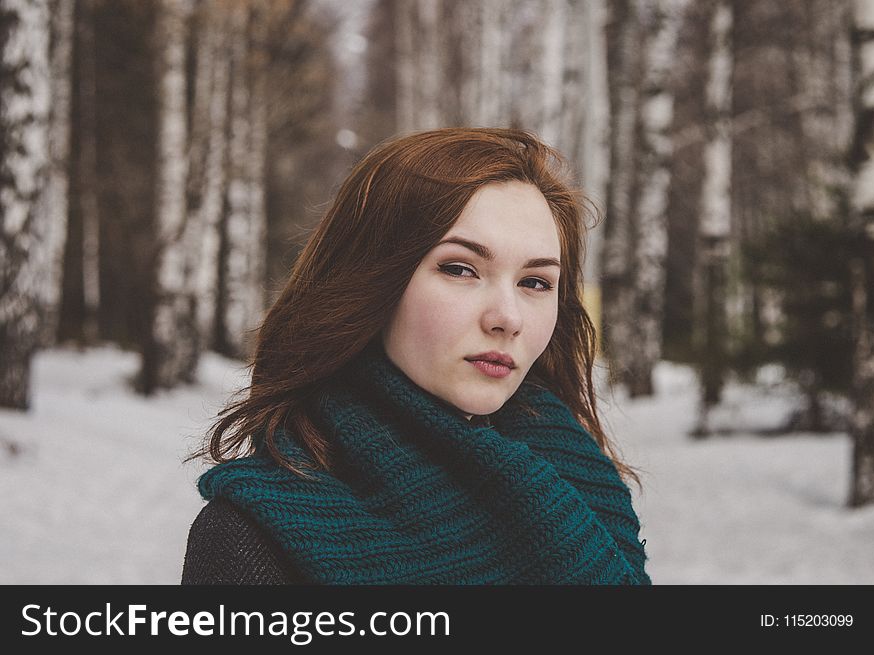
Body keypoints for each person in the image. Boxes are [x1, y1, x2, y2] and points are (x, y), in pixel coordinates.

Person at [181, 127, 650, 585]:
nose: (508, 317)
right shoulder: (254, 538)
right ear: (371, 280)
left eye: (535, 282)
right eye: (461, 269)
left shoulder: (583, 483)